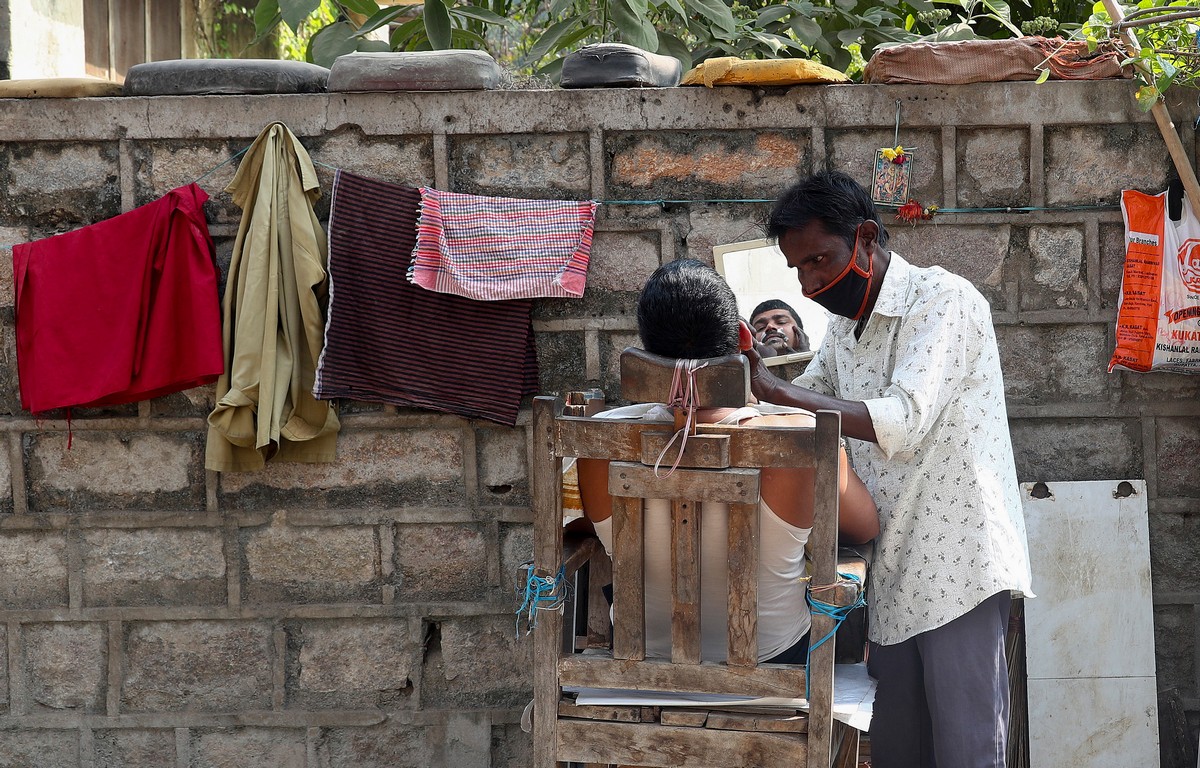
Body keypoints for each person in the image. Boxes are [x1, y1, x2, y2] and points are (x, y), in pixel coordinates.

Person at [748, 171, 1034, 768]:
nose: (810, 285)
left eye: (820, 261)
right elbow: (807, 401)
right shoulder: (845, 331)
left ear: (868, 237)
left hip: (959, 567)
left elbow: (901, 421)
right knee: (902, 750)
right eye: (798, 269)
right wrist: (742, 394)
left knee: (967, 750)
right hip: (894, 572)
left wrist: (775, 391)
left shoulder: (944, 301)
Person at [576, 258, 879, 664]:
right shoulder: (805, 436)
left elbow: (594, 530)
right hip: (772, 662)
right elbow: (864, 527)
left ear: (646, 354)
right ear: (742, 336)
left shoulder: (599, 440)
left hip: (640, 662)